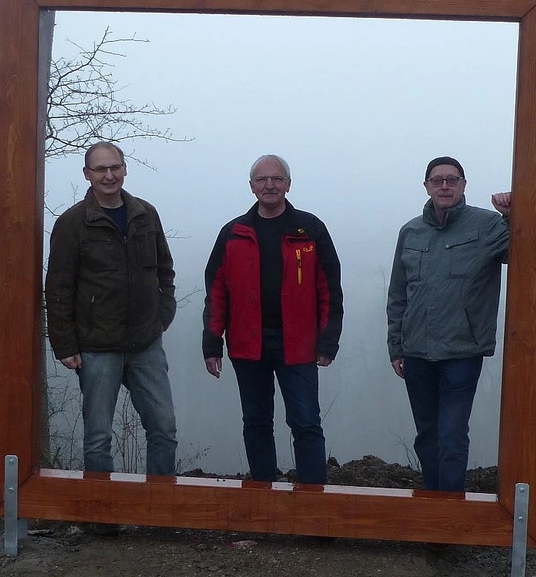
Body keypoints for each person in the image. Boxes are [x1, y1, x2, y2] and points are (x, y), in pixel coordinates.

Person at [202, 155, 343, 484]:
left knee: (306, 423)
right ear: (251, 186)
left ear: (288, 185)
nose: (269, 185)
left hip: (299, 344)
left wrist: (328, 341)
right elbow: (217, 291)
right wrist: (212, 343)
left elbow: (329, 290)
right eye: (262, 180)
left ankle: (312, 502)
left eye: (277, 179)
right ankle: (263, 498)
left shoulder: (310, 229)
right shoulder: (233, 233)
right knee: (256, 422)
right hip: (247, 343)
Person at [45, 140, 178, 476]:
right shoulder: (73, 223)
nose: (109, 175)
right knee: (98, 437)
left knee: (164, 428)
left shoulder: (145, 215)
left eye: (115, 167)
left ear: (125, 169)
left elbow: (165, 270)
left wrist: (162, 316)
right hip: (97, 347)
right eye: (100, 169)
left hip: (145, 344)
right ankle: (102, 506)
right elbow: (58, 288)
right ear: (87, 174)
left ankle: (158, 502)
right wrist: (65, 344)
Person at [386, 156, 513, 493]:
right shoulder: (410, 232)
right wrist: (396, 347)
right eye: (437, 180)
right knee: (427, 436)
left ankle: (451, 511)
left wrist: (512, 216)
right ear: (426, 186)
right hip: (416, 352)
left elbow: (523, 253)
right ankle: (433, 505)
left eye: (452, 180)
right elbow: (398, 293)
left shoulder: (487, 226)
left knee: (452, 435)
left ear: (463, 185)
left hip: (462, 350)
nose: (444, 186)